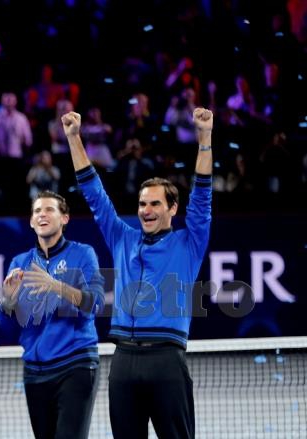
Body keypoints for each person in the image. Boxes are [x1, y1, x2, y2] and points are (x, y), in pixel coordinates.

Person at [63, 107, 214, 439]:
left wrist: (205, 137)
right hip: (123, 362)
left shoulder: (188, 243)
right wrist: (74, 138)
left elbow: (202, 195)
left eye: (155, 204)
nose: (146, 210)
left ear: (172, 209)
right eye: (143, 204)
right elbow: (94, 195)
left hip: (167, 361)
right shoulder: (122, 237)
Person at [0, 191, 104, 439]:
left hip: (75, 364)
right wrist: (8, 302)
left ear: (64, 218)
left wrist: (55, 285)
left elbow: (94, 304)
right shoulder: (19, 263)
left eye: (49, 210)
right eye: (37, 212)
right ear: (32, 222)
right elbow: (9, 330)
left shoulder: (83, 254)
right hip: (35, 373)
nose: (42, 214)